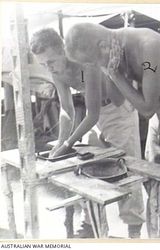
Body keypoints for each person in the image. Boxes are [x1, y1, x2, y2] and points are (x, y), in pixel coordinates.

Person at [64, 23, 160, 238]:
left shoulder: (148, 48)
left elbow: (146, 107)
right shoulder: (114, 49)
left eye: (91, 61)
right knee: (155, 192)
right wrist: (112, 71)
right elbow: (120, 99)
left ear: (102, 46)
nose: (91, 68)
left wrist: (113, 73)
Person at [29, 28, 145, 238]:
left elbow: (91, 114)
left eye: (52, 61)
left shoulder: (85, 64)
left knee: (128, 168)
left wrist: (66, 145)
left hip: (119, 112)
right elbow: (67, 109)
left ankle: (133, 228)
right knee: (85, 165)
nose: (49, 68)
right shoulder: (57, 72)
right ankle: (90, 221)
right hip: (98, 115)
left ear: (63, 50)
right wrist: (61, 142)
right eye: (43, 64)